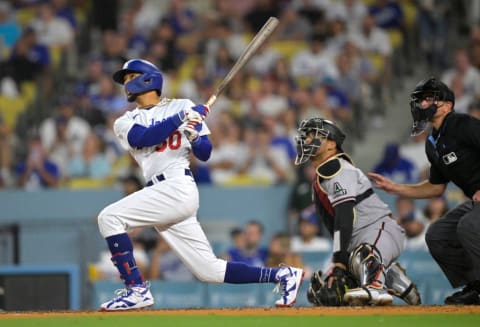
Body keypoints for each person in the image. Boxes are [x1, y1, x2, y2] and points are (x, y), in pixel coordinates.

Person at [97, 59, 304, 311]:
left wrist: (195, 136)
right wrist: (181, 119)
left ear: (148, 79)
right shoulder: (126, 120)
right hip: (159, 192)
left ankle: (136, 290)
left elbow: (205, 153)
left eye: (130, 77)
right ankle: (283, 276)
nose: (126, 84)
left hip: (176, 186)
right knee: (209, 270)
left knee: (109, 218)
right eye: (125, 80)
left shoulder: (182, 105)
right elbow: (143, 138)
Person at [369, 77, 480, 305]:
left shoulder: (464, 124)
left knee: (468, 225)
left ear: (447, 106)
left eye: (429, 98)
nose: (422, 104)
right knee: (437, 234)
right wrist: (396, 188)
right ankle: (476, 287)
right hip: (476, 203)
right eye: (421, 100)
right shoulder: (432, 143)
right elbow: (436, 187)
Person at [294, 117, 420, 306]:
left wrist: (339, 261)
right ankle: (394, 279)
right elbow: (337, 225)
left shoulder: (337, 168)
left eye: (314, 136)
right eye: (307, 136)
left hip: (379, 230)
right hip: (359, 240)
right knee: (324, 291)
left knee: (362, 255)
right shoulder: (321, 177)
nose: (307, 140)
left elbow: (344, 217)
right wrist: (340, 266)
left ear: (331, 144)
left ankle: (375, 284)